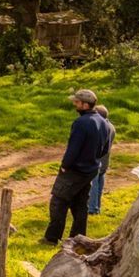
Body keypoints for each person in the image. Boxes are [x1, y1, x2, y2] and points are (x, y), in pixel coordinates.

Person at [43, 89, 109, 244]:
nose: (74, 104)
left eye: (77, 102)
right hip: (91, 169)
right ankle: (78, 238)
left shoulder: (81, 123)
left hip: (75, 170)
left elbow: (73, 147)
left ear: (85, 105)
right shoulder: (103, 122)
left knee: (58, 201)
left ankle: (52, 238)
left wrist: (65, 165)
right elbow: (105, 149)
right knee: (80, 204)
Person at [88, 105, 116, 216]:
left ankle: (92, 208)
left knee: (93, 183)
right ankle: (97, 206)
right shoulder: (111, 127)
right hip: (105, 160)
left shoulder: (102, 127)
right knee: (99, 182)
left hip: (98, 160)